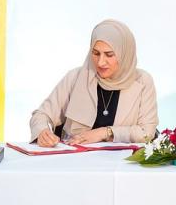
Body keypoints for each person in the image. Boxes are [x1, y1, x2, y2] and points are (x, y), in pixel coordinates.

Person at [30, 19, 158, 146]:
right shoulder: (75, 77)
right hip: (75, 157)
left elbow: (146, 132)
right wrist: (43, 131)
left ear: (124, 54)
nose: (100, 62)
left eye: (109, 55)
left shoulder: (142, 81)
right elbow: (41, 115)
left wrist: (104, 132)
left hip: (123, 158)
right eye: (96, 53)